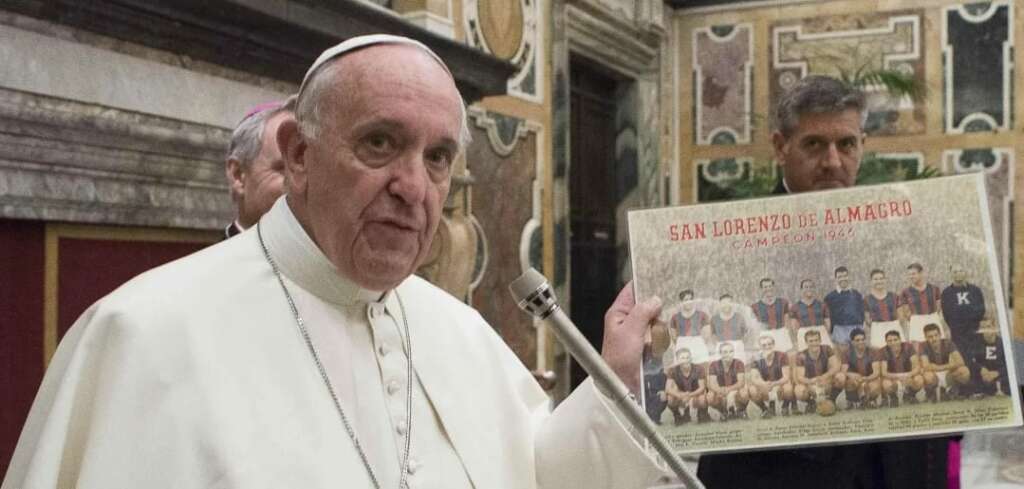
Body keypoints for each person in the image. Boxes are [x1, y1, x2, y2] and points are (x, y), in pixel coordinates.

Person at [3, 35, 670, 489]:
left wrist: (614, 390)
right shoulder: (142, 335)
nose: (414, 187)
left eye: (437, 157)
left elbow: (537, 476)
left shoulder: (459, 332)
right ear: (297, 155)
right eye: (380, 142)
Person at [698, 75, 952, 489]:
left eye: (846, 144)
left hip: (888, 465)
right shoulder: (730, 241)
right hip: (775, 470)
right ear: (781, 147)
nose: (833, 161)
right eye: (815, 144)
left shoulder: (900, 231)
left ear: (862, 145)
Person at [223, 97, 295, 238]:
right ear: (238, 175)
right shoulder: (210, 260)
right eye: (285, 168)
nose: (305, 185)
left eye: (311, 171)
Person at [940, 265, 985, 359]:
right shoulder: (947, 293)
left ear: (965, 273)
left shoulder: (975, 290)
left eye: (961, 271)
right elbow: (947, 314)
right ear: (951, 274)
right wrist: (957, 326)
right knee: (962, 357)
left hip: (974, 330)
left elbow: (981, 309)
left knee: (977, 356)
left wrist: (972, 322)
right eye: (955, 272)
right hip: (958, 332)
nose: (958, 274)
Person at [919, 323, 970, 402]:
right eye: (930, 337)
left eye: (936, 335)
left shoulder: (948, 343)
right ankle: (931, 394)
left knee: (964, 371)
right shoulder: (923, 345)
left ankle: (952, 391)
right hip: (934, 375)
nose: (934, 339)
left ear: (940, 335)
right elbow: (926, 366)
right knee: (927, 376)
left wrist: (938, 367)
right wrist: (951, 365)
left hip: (948, 373)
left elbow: (961, 362)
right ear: (925, 337)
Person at [794, 329, 841, 414]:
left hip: (826, 381)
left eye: (816, 340)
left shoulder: (827, 349)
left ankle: (831, 401)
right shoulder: (801, 355)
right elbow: (800, 377)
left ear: (820, 340)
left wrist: (824, 377)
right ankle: (812, 403)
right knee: (799, 391)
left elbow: (836, 367)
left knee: (840, 377)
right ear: (806, 342)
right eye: (811, 341)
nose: (814, 343)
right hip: (811, 383)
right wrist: (811, 382)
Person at [748, 335, 794, 417]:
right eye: (764, 345)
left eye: (769, 344)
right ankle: (765, 409)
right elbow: (754, 378)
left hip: (780, 384)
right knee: (752, 390)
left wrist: (774, 384)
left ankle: (785, 406)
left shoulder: (782, 356)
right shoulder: (756, 358)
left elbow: (786, 377)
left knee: (788, 388)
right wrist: (764, 384)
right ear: (760, 347)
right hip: (765, 385)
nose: (767, 347)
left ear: (773, 345)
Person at [879, 330, 924, 407]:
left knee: (919, 379)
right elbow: (884, 372)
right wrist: (899, 376)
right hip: (892, 377)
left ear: (900, 340)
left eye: (895, 340)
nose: (893, 343)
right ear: (886, 342)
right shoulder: (883, 351)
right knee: (886, 384)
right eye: (890, 341)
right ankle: (893, 397)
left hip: (908, 375)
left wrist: (908, 375)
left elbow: (917, 367)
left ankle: (910, 395)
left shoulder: (908, 347)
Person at [664, 348, 709, 424]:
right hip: (681, 394)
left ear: (691, 358)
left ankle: (702, 413)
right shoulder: (672, 370)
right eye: (683, 358)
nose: (686, 360)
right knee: (670, 398)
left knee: (702, 399)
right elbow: (668, 389)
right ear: (677, 360)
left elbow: (702, 387)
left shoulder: (699, 368)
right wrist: (680, 395)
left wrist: (689, 395)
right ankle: (677, 415)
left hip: (696, 393)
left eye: (688, 357)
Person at [824, 266, 865, 348]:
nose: (843, 279)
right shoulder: (830, 297)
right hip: (839, 330)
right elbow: (827, 316)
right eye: (840, 277)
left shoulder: (857, 294)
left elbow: (861, 312)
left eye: (845, 276)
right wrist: (831, 331)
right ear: (836, 279)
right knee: (843, 356)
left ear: (848, 277)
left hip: (856, 328)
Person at [839, 328, 881, 409]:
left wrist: (866, 379)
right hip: (854, 381)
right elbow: (843, 371)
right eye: (857, 340)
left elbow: (876, 372)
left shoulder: (873, 352)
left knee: (874, 387)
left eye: (862, 339)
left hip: (869, 379)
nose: (861, 342)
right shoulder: (846, 353)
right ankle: (851, 401)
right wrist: (852, 375)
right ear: (852, 342)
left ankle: (868, 400)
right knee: (847, 380)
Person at [706, 342, 749, 420]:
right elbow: (712, 383)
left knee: (744, 393)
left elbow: (741, 382)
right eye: (725, 352)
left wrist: (729, 390)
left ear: (733, 352)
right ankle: (723, 412)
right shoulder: (714, 365)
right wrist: (720, 390)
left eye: (731, 351)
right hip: (721, 390)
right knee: (710, 397)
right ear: (720, 353)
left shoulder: (739, 363)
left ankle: (741, 410)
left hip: (735, 390)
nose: (728, 354)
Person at [901, 263, 943, 340]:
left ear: (921, 273)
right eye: (909, 274)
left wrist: (930, 317)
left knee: (937, 346)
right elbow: (906, 311)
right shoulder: (906, 292)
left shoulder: (934, 289)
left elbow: (938, 307)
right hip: (917, 321)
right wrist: (917, 319)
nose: (911, 276)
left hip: (933, 318)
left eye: (913, 274)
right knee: (918, 348)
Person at [968, 319, 1010, 397]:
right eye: (983, 327)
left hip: (999, 375)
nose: (986, 330)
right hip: (984, 375)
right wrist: (981, 369)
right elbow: (972, 361)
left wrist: (997, 373)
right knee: (971, 374)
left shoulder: (1003, 343)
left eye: (988, 326)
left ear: (994, 328)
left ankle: (998, 390)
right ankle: (983, 391)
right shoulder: (976, 343)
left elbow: (1009, 364)